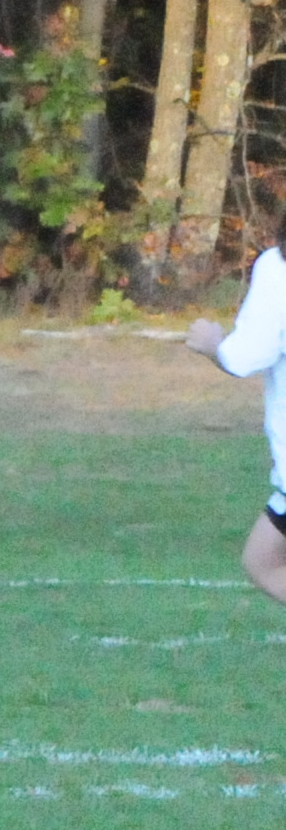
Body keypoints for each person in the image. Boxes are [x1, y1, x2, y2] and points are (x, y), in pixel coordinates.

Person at [181, 237, 286, 604]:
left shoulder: (278, 268)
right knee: (262, 559)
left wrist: (213, 344)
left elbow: (246, 356)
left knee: (264, 562)